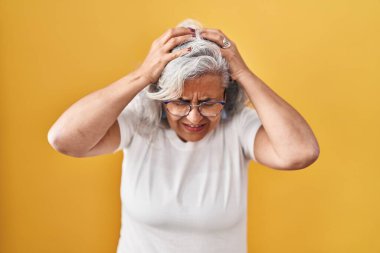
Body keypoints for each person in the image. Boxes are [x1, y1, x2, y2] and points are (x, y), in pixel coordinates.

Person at [48, 19, 320, 253]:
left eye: (208, 102)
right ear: (162, 98)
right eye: (179, 101)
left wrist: (243, 73)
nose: (194, 117)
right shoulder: (140, 122)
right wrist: (143, 75)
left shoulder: (236, 126)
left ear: (226, 96)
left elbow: (301, 152)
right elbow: (64, 139)